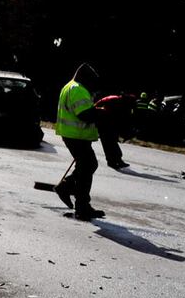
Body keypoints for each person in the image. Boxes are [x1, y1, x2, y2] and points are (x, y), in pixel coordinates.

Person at [54, 63, 105, 220]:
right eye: (91, 80)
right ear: (85, 77)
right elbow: (85, 115)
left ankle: (71, 192)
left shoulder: (69, 86)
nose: (92, 84)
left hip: (74, 135)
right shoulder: (78, 89)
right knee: (87, 167)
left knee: (87, 167)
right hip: (76, 136)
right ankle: (81, 206)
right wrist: (103, 113)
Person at [94, 92, 133, 169]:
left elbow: (124, 118)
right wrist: (99, 112)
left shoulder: (126, 106)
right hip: (103, 124)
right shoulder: (112, 99)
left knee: (114, 143)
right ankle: (111, 162)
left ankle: (118, 160)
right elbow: (96, 105)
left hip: (113, 125)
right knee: (107, 144)